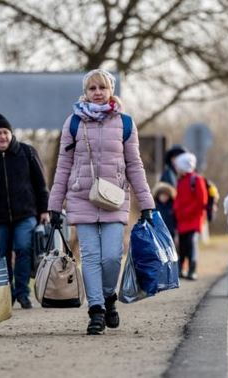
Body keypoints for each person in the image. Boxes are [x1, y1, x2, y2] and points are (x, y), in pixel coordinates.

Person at [48, 68, 155, 335]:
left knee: (111, 256)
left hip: (115, 198)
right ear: (85, 92)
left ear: (111, 91)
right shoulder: (73, 122)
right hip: (81, 197)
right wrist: (54, 204)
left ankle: (109, 297)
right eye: (92, 89)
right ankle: (96, 310)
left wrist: (147, 203)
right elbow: (63, 166)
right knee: (91, 256)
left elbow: (134, 165)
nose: (97, 93)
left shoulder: (125, 123)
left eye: (102, 88)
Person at [0, 113, 50, 309]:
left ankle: (22, 292)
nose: (2, 137)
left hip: (26, 213)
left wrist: (44, 210)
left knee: (24, 248)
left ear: (11, 133)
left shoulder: (27, 152)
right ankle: (7, 293)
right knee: (0, 255)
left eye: (5, 132)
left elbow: (41, 184)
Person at [173, 152, 208, 280]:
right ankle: (181, 269)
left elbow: (202, 200)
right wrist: (176, 210)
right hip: (182, 220)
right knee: (182, 245)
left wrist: (188, 211)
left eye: (178, 166)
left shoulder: (196, 179)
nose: (176, 168)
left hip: (194, 219)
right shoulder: (181, 181)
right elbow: (178, 199)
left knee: (191, 243)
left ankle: (192, 270)